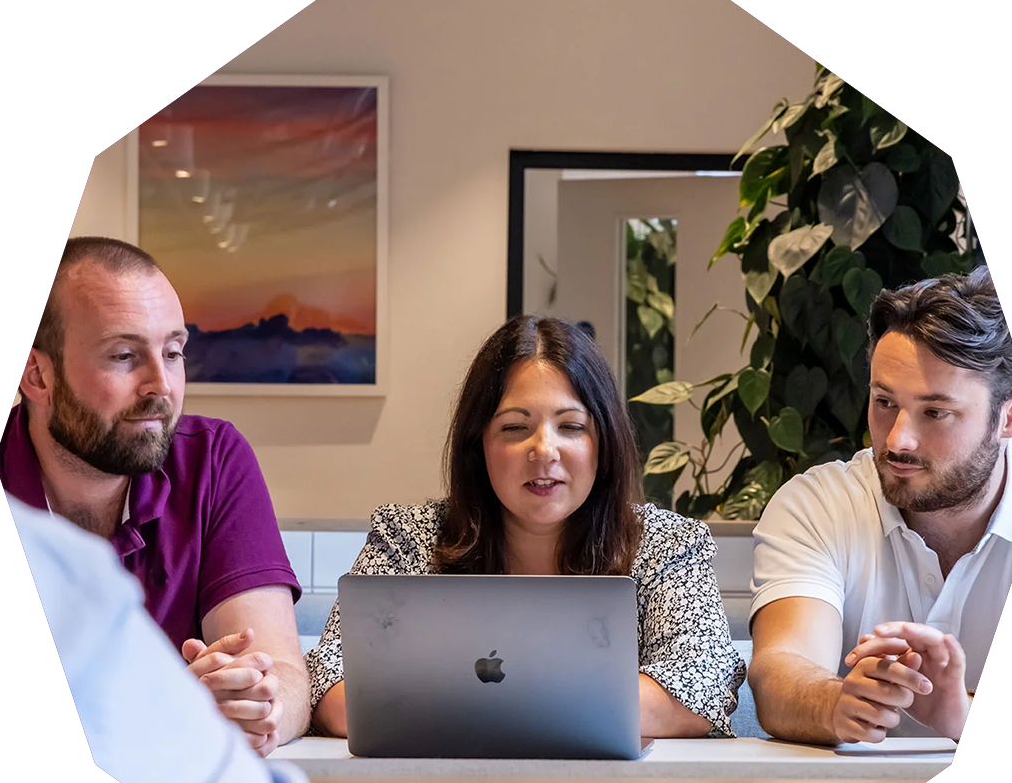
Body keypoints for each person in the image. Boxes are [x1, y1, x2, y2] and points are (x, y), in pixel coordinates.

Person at [306, 315, 744, 738]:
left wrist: (453, 708)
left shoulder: (666, 544)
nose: (544, 450)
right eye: (515, 427)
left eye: (571, 426)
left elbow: (700, 688)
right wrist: (563, 709)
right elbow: (332, 686)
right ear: (479, 445)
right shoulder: (408, 538)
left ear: (604, 444)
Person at [9, 497, 395, 783]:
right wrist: (181, 706)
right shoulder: (56, 567)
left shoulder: (214, 463)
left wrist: (251, 701)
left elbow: (289, 683)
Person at [0, 237, 308, 756]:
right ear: (37, 375)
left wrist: (256, 704)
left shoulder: (213, 460)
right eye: (124, 356)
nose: (161, 386)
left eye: (173, 353)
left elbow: (283, 674)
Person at [747, 266, 1012, 746]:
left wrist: (963, 716)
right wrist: (835, 703)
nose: (898, 439)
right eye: (884, 402)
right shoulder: (818, 505)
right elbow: (779, 671)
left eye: (936, 412)